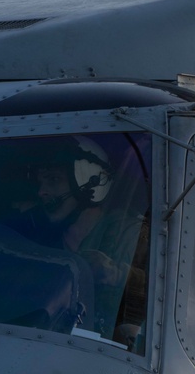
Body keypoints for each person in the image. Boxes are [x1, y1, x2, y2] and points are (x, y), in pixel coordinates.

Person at [11, 136, 147, 345]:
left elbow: (176, 302)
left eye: (53, 180)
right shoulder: (39, 235)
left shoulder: (130, 235)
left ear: (89, 184)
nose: (41, 192)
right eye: (40, 182)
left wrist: (118, 275)